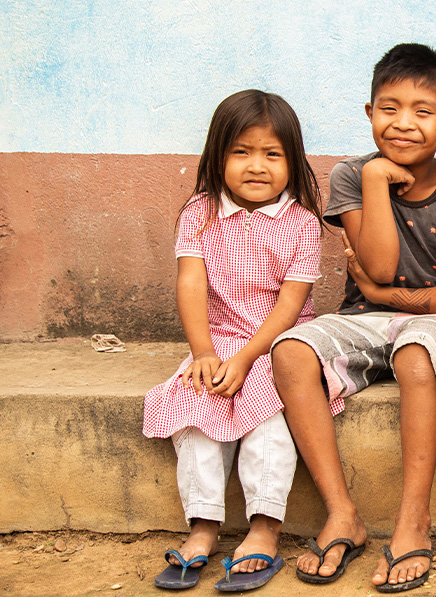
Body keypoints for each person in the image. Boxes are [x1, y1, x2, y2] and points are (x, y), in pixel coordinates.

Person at [270, 43, 436, 592]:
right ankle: (343, 513)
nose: (403, 124)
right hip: (362, 317)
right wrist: (374, 181)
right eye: (388, 108)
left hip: (430, 322)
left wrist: (403, 298)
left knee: (415, 356)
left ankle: (414, 519)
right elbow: (380, 265)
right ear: (369, 113)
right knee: (290, 350)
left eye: (422, 111)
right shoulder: (350, 175)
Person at [143, 89, 323, 591]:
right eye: (241, 152)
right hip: (218, 339)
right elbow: (191, 283)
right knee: (198, 405)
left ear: (293, 160)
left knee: (267, 416)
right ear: (217, 155)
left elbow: (290, 305)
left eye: (272, 153)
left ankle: (265, 528)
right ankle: (203, 525)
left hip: (278, 343)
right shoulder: (199, 214)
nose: (256, 166)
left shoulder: (302, 224)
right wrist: (203, 352)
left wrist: (248, 357)